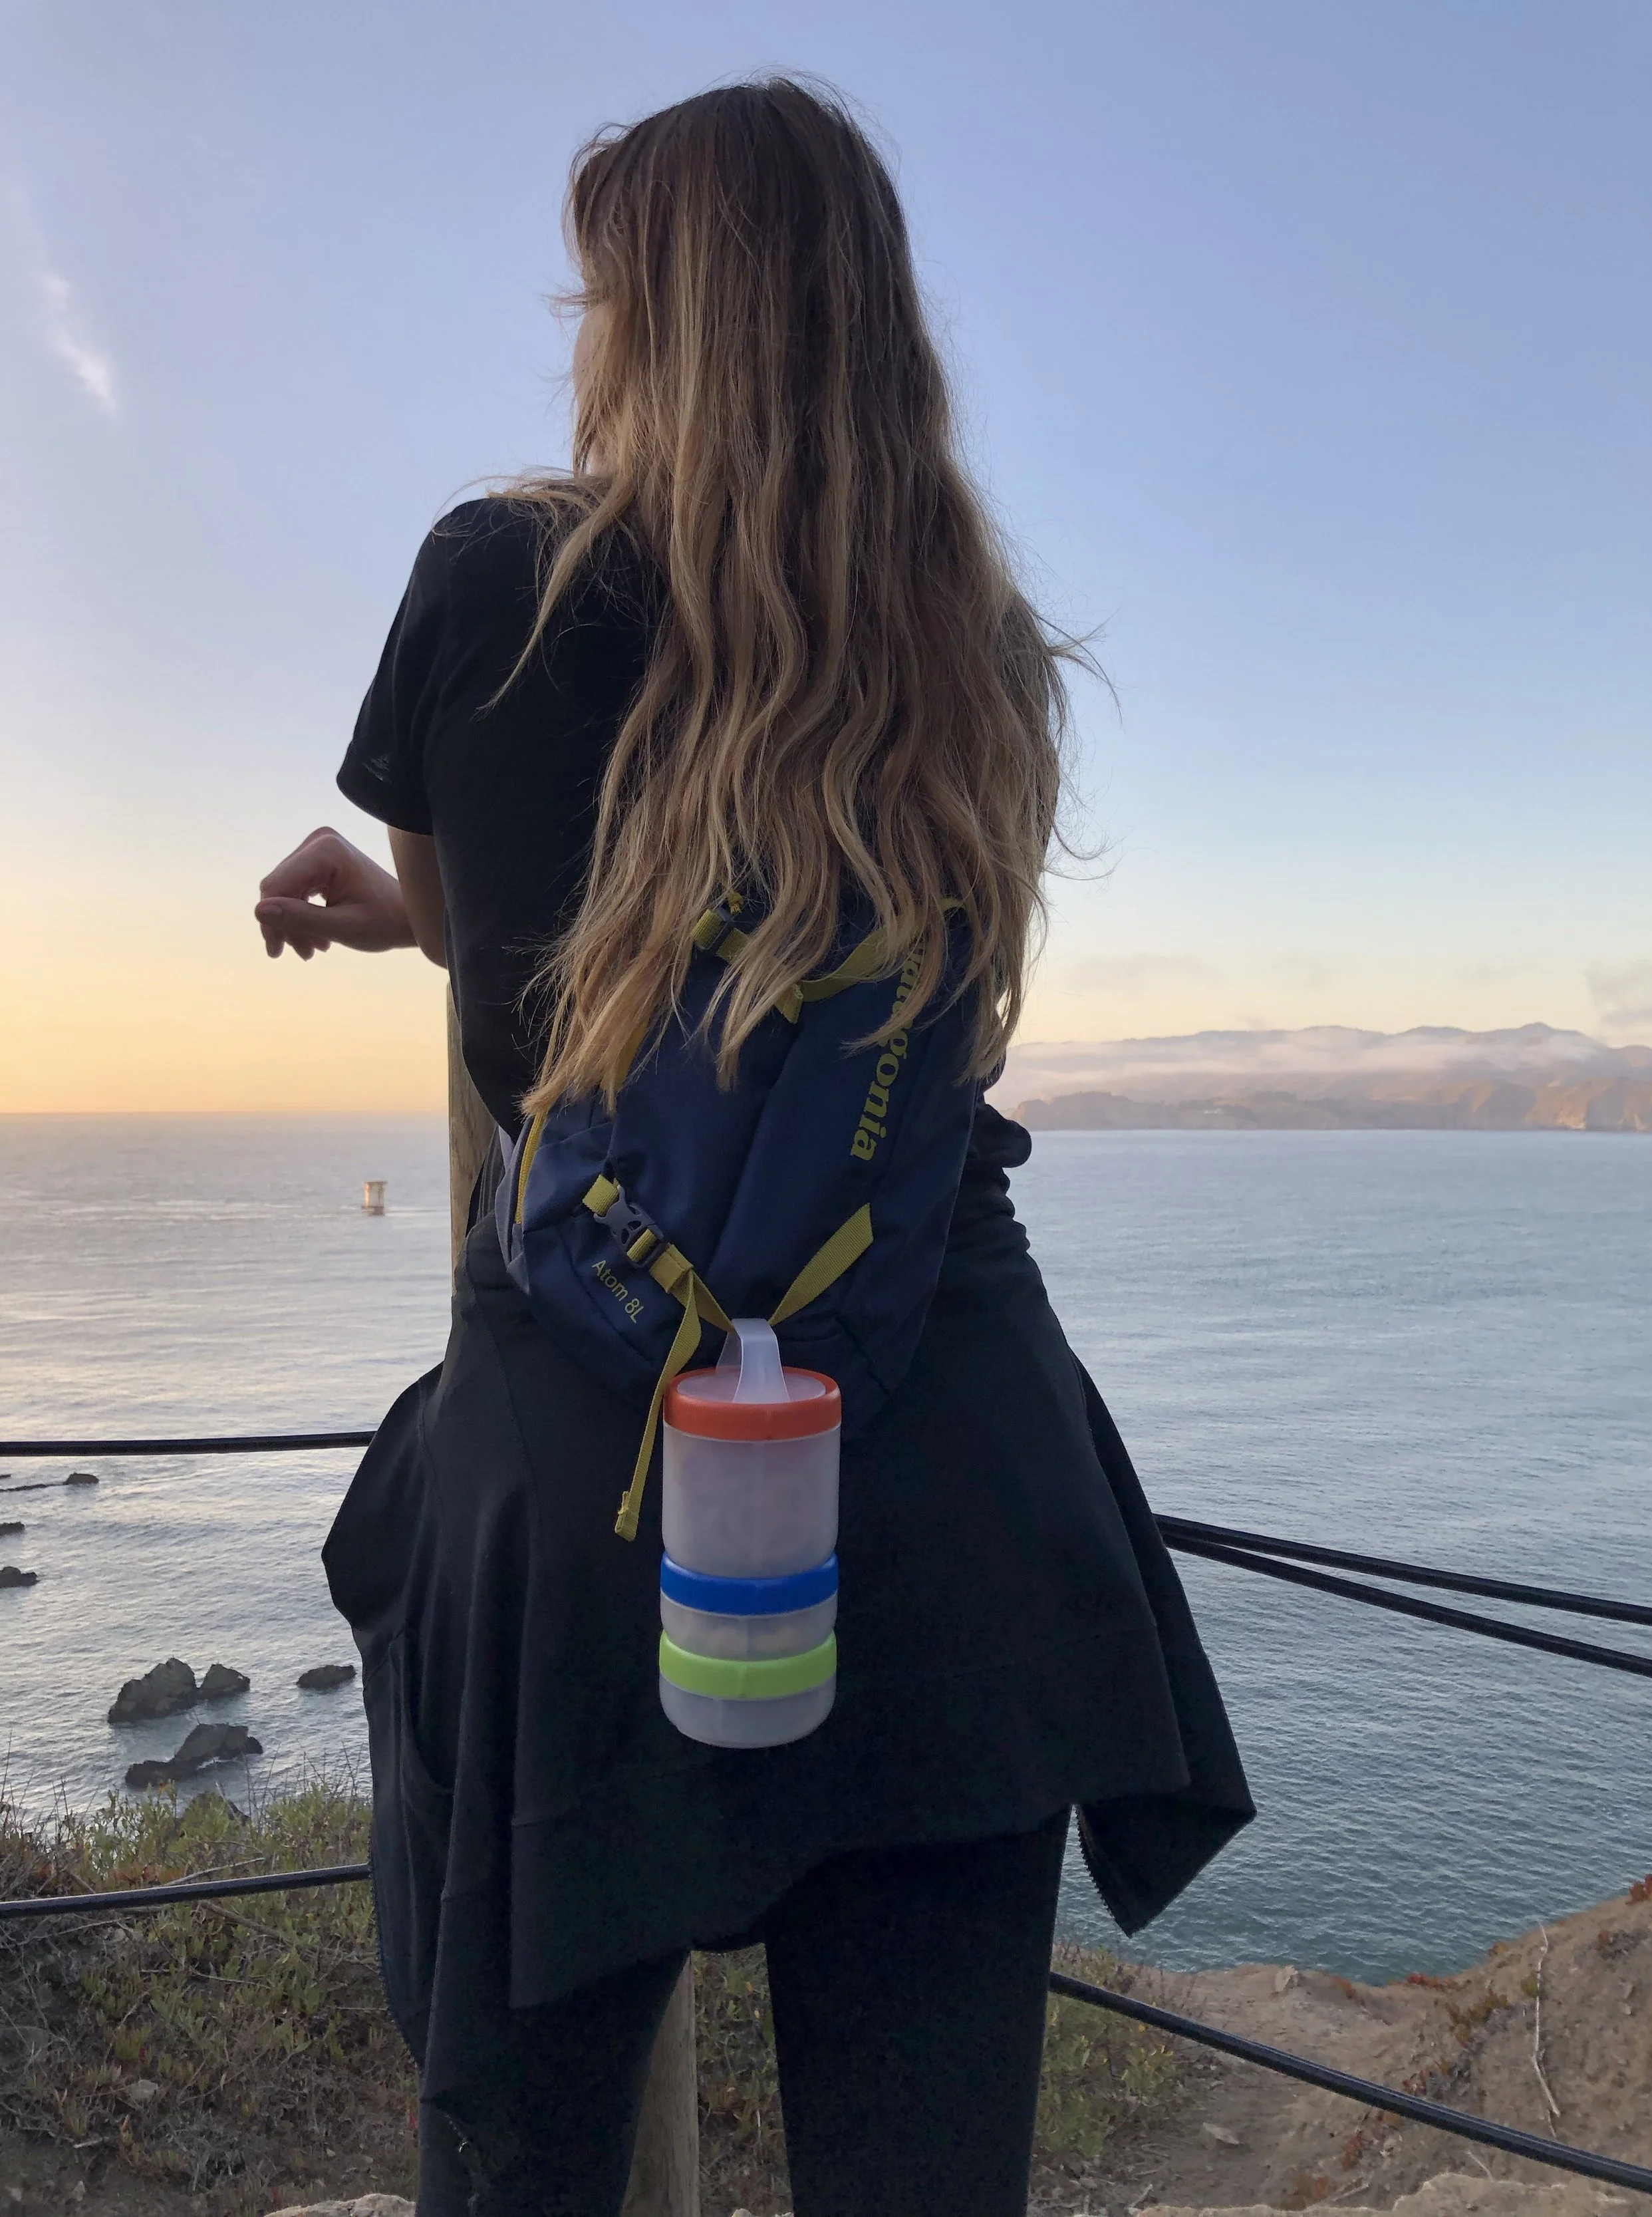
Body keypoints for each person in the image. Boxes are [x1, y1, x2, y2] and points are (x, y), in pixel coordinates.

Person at [253, 78, 1252, 2217]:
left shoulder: (497, 581)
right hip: (943, 1469)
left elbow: (523, 934)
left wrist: (375, 892)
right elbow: (878, 1021)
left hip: (592, 1480)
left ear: (653, 320)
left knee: (516, 2169)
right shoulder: (967, 654)